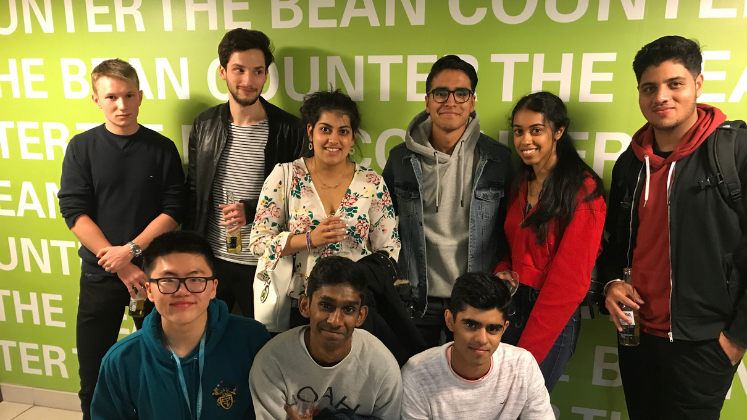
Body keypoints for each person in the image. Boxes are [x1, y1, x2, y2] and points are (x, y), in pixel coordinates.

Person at [597, 35, 747, 420]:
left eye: (674, 84)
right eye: (649, 88)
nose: (661, 97)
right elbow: (615, 245)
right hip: (636, 337)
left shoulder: (735, 152)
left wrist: (736, 338)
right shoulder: (631, 163)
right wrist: (611, 283)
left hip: (704, 343)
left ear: (698, 84)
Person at [57, 59, 185, 420]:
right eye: (111, 96)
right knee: (94, 372)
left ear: (140, 96)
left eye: (129, 95)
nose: (122, 105)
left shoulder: (161, 148)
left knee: (162, 367)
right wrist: (120, 263)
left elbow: (174, 209)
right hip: (100, 277)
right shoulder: (81, 147)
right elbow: (74, 211)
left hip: (154, 278)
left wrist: (131, 252)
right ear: (95, 99)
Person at [382, 55, 514, 347]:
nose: (450, 101)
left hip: (476, 300)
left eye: (461, 93)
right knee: (412, 373)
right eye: (441, 93)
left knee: (470, 376)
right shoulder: (400, 159)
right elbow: (381, 226)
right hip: (416, 298)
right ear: (428, 101)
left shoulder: (497, 159)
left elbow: (511, 230)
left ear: (472, 101)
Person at [250, 89, 400, 327]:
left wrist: (358, 279)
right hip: (300, 307)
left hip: (355, 309)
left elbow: (389, 250)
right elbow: (258, 242)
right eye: (325, 129)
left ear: (353, 138)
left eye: (343, 131)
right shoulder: (286, 175)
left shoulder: (372, 182)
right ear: (311, 131)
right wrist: (308, 239)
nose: (334, 139)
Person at [185, 28, 305, 317]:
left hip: (266, 263)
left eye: (257, 71)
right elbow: (193, 192)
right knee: (206, 337)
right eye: (239, 70)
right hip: (211, 261)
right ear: (223, 72)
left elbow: (301, 198)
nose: (248, 81)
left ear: (266, 75)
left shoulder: (289, 129)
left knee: (264, 340)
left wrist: (252, 210)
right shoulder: (204, 124)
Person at [91, 231, 270, 420]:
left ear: (213, 287)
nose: (182, 291)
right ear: (149, 290)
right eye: (168, 280)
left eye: (195, 279)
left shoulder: (252, 340)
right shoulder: (123, 359)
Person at [493, 91, 606, 392]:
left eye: (536, 130)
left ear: (558, 131)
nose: (525, 140)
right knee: (498, 403)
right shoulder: (521, 183)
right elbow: (512, 248)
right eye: (519, 131)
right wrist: (501, 272)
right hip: (510, 307)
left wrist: (528, 350)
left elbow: (569, 283)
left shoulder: (583, 190)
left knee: (522, 404)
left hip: (551, 316)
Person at [249, 256, 402, 419]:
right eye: (326, 306)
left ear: (361, 316)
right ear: (304, 306)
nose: (335, 321)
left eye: (348, 309)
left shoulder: (381, 366)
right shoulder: (272, 361)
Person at [401, 272, 554, 420]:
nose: (482, 339)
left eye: (493, 329)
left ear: (504, 328)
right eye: (471, 325)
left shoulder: (523, 365)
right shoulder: (417, 376)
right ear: (450, 321)